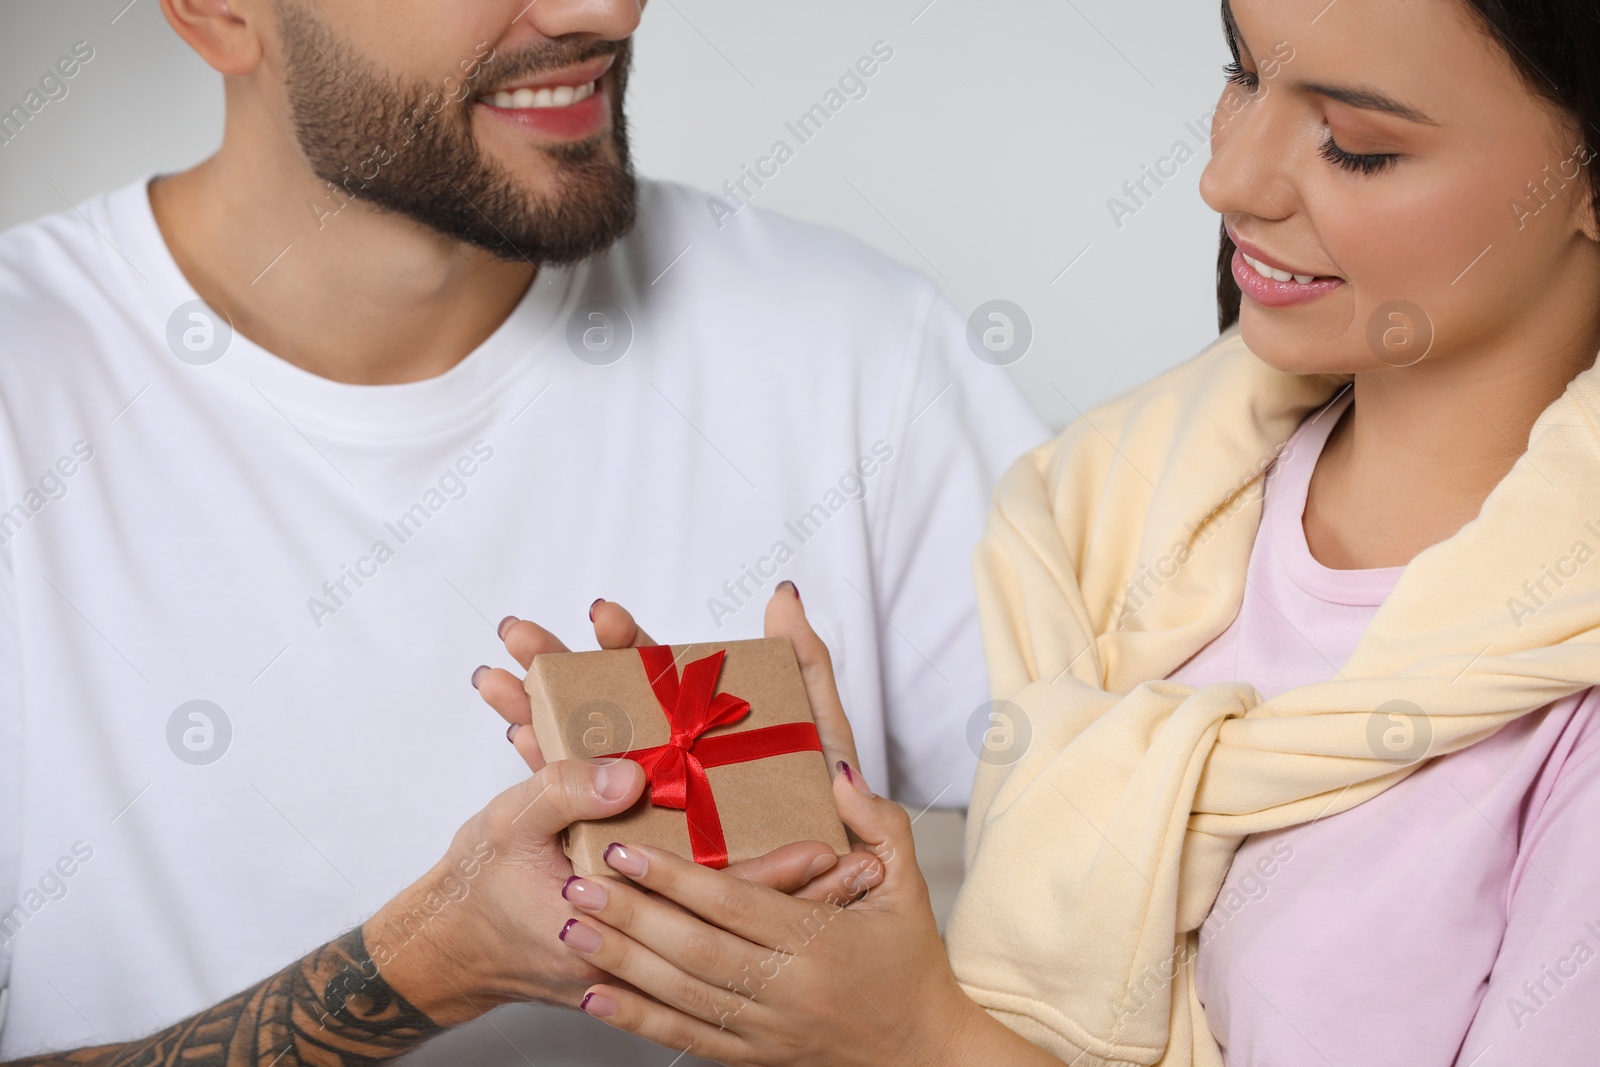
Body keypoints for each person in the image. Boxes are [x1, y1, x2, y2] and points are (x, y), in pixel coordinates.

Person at [541, 1, 1600, 1064]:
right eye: (1240, 76)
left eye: (1356, 147)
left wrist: (918, 1036)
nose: (1226, 180)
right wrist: (811, 869)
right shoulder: (1113, 502)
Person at [0, 0, 1046, 1064]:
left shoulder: (851, 346)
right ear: (219, 13)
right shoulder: (26, 397)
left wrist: (903, 1010)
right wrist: (431, 960)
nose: (605, 9)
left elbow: (1180, 901)